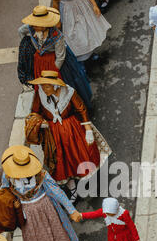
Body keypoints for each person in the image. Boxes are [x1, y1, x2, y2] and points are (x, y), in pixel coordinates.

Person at [25, 71, 111, 203]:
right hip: (53, 136)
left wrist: (88, 129)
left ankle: (84, 181)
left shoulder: (69, 92)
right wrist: (40, 123)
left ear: (55, 86)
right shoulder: (40, 95)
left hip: (73, 131)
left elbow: (81, 109)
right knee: (61, 163)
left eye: (47, 86)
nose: (43, 89)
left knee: (79, 156)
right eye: (42, 86)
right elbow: (35, 112)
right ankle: (73, 190)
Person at [0, 145, 82, 241]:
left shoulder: (41, 174)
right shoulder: (8, 175)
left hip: (46, 208)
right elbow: (4, 192)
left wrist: (71, 210)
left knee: (54, 232)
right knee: (36, 238)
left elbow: (56, 191)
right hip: (25, 213)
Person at [17, 5, 92, 110]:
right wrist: (31, 44)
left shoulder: (57, 36)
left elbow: (60, 57)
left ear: (44, 25)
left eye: (36, 25)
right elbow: (20, 31)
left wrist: (52, 75)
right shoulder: (30, 27)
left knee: (66, 85)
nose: (33, 26)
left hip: (57, 63)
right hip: (41, 61)